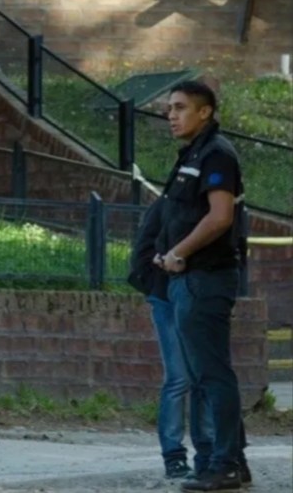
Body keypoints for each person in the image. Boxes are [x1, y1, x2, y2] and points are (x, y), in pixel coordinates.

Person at [153, 80, 252, 492]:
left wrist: (178, 252)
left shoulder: (217, 153)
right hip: (187, 280)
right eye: (169, 109)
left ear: (205, 111)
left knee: (212, 375)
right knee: (202, 375)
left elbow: (220, 217)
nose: (171, 115)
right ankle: (228, 462)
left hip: (204, 278)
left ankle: (224, 464)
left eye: (179, 108)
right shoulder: (194, 153)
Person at [128, 198, 214, 479]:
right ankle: (174, 455)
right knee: (179, 377)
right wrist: (158, 273)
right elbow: (142, 253)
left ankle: (208, 452)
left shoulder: (213, 208)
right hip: (167, 296)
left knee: (202, 378)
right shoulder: (167, 204)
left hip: (198, 297)